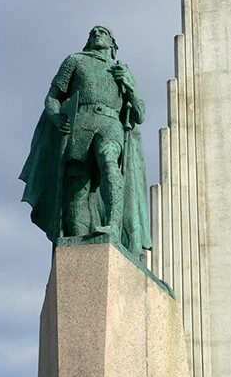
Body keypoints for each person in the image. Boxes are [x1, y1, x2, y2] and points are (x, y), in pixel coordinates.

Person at [20, 26, 152, 259]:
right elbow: (52, 97)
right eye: (92, 32)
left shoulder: (122, 70)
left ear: (113, 43)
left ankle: (112, 224)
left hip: (110, 124)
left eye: (102, 32)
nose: (96, 33)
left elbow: (139, 114)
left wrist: (130, 85)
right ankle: (79, 247)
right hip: (80, 125)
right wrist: (56, 117)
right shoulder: (75, 61)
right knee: (77, 189)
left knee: (109, 161)